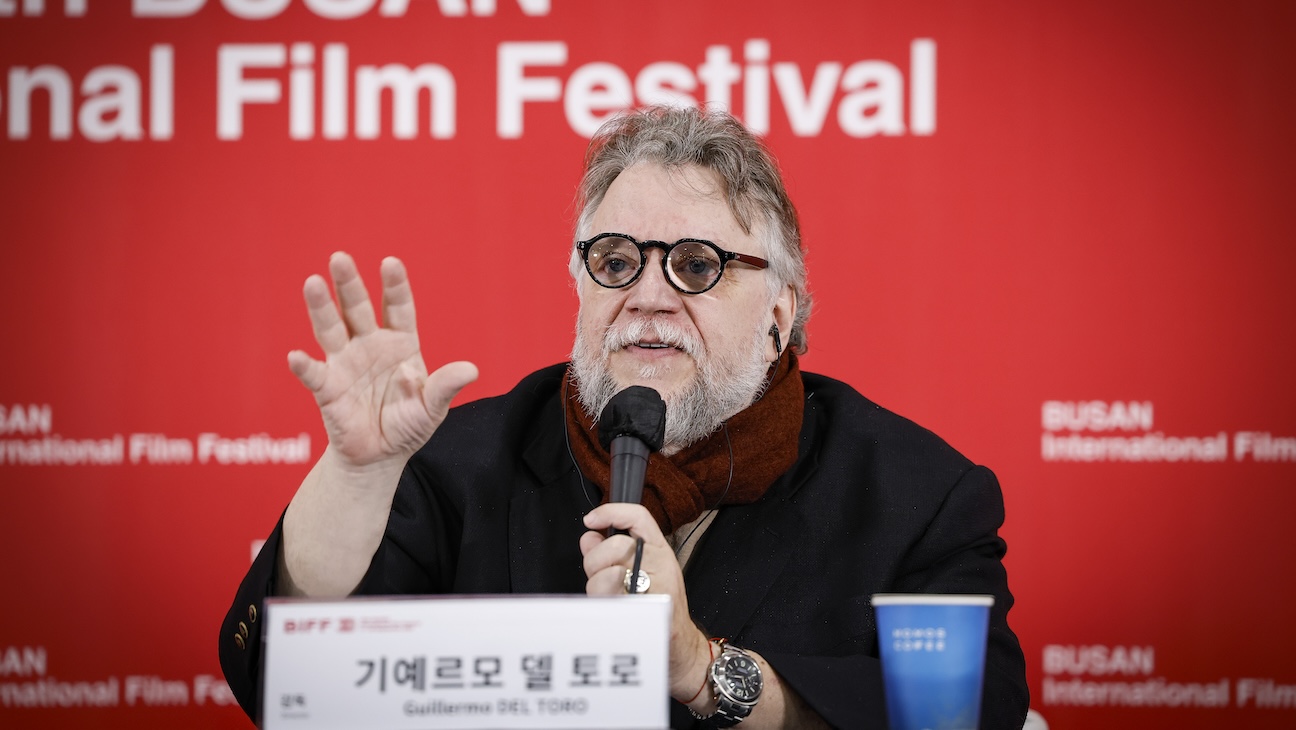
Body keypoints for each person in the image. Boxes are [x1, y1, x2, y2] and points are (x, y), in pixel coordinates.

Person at [220, 105, 1029, 729]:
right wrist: (355, 478)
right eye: (615, 261)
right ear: (581, 287)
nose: (647, 296)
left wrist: (703, 670)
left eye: (697, 266)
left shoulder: (917, 496)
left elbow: (976, 710)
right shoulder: (454, 464)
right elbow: (289, 686)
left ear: (779, 316)